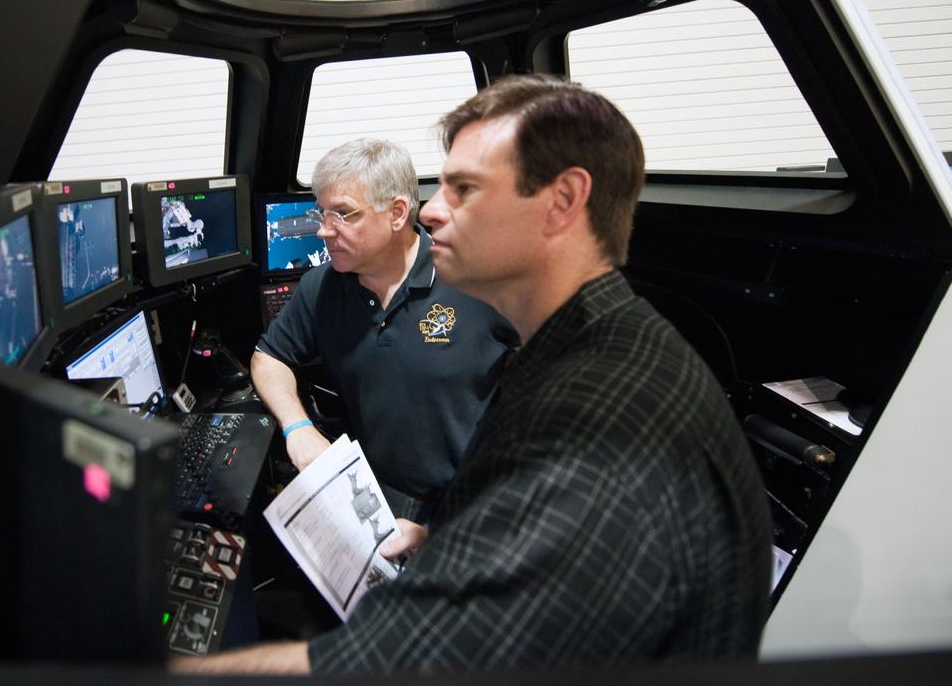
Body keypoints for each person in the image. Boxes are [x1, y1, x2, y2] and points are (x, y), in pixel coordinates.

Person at [176, 75, 771, 674]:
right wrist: (446, 544)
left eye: (464, 189)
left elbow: (410, 663)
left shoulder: (606, 418)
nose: (432, 210)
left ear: (562, 202)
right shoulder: (583, 349)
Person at [252, 138, 517, 523]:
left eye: (343, 214)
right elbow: (268, 358)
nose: (324, 231)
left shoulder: (479, 275)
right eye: (321, 214)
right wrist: (298, 426)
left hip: (472, 503)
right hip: (377, 495)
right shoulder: (321, 286)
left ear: (396, 213)